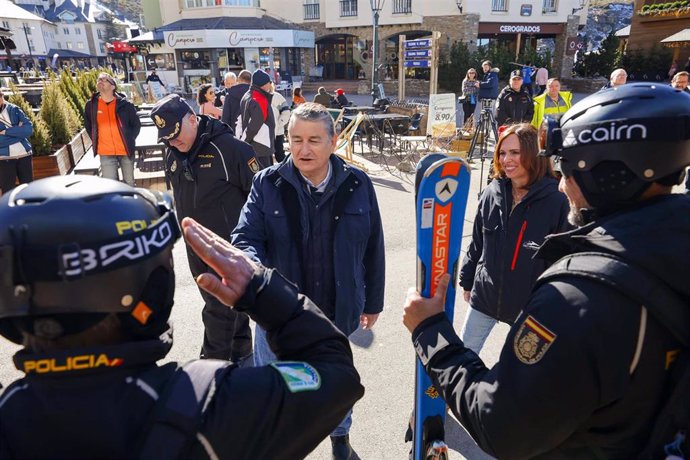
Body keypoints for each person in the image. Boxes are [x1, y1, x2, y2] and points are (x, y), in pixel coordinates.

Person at [403, 83, 690, 457]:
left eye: (566, 168)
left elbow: (502, 426)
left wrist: (429, 331)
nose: (564, 181)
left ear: (598, 174)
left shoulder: (578, 296)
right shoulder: (670, 245)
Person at [0, 175, 364, 459]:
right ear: (152, 289)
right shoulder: (213, 401)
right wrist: (260, 288)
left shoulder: (10, 416)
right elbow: (336, 373)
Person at [231, 102, 385, 460]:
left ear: (333, 142)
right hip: (278, 315)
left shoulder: (357, 183)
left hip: (337, 312)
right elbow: (245, 238)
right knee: (276, 386)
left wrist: (373, 301)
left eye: (314, 140)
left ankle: (341, 438)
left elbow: (373, 246)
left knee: (337, 386)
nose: (304, 149)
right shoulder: (267, 184)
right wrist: (254, 275)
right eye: (296, 139)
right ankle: (280, 443)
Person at [151, 93, 259, 363]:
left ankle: (211, 368)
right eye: (166, 137)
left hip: (227, 247)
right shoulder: (173, 153)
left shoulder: (231, 149)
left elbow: (260, 197)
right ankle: (241, 352)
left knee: (217, 309)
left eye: (175, 133)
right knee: (227, 307)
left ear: (192, 118)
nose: (172, 141)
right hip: (194, 247)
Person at [458, 123, 569, 353]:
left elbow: (564, 262)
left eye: (515, 152)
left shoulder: (557, 200)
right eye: (502, 152)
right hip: (485, 297)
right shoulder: (492, 192)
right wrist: (467, 281)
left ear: (532, 153)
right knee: (463, 356)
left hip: (530, 308)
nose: (506, 159)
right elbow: (477, 242)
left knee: (522, 375)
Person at [84, 72, 141, 187]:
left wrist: (129, 138)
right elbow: (89, 126)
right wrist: (98, 141)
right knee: (111, 186)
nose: (100, 81)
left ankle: (129, 205)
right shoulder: (91, 105)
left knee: (129, 184)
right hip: (105, 152)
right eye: (99, 79)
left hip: (125, 150)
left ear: (113, 86)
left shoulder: (125, 105)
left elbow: (136, 125)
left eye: (104, 80)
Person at [239, 69, 276, 169]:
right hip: (261, 147)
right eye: (270, 82)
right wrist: (243, 143)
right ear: (264, 83)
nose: (271, 85)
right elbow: (254, 126)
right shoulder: (259, 99)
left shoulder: (246, 96)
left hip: (254, 146)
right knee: (264, 179)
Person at [0, 90, 33, 196]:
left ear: (2, 96)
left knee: (29, 190)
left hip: (25, 155)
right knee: (8, 192)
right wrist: (18, 134)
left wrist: (6, 132)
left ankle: (30, 212)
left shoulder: (14, 109)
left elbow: (28, 130)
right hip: (4, 159)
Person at [270, 82, 291, 163]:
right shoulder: (259, 96)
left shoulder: (277, 96)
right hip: (264, 133)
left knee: (279, 154)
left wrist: (278, 124)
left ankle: (287, 171)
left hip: (278, 132)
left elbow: (286, 112)